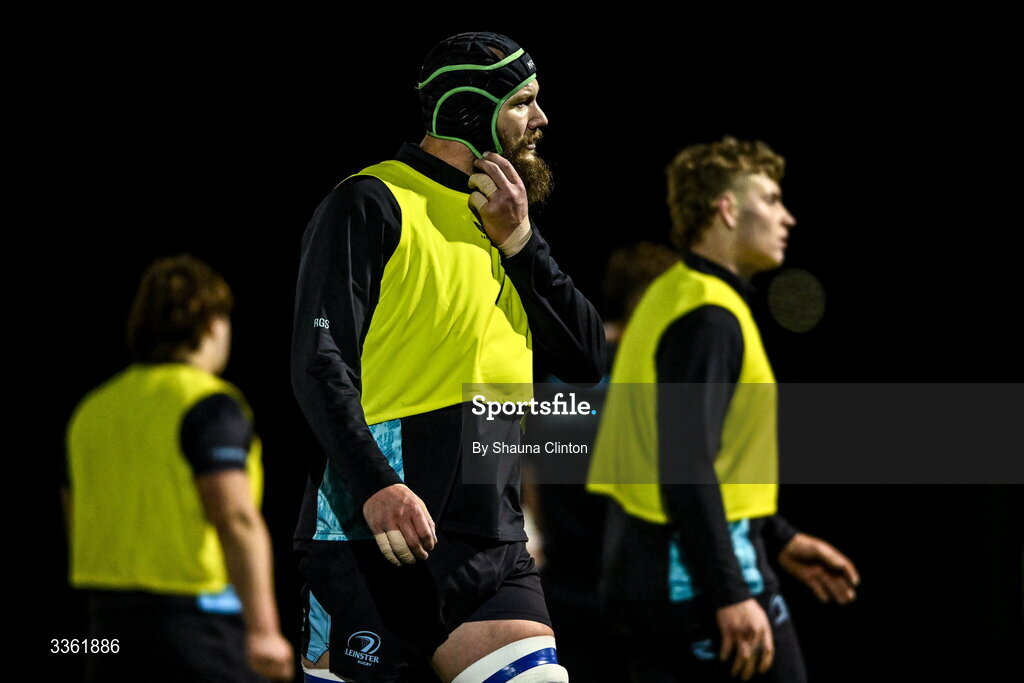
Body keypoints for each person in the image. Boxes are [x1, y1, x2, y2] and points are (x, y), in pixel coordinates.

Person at [290, 32, 605, 683]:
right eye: (524, 103)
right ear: (470, 112)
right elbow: (318, 362)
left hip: (493, 542)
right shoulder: (370, 201)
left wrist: (520, 240)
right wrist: (376, 484)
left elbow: (586, 356)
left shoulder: (499, 219)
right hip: (372, 537)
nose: (541, 120)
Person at [587, 137, 860, 682]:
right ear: (728, 209)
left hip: (647, 571)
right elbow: (684, 462)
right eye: (772, 199)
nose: (788, 217)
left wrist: (777, 537)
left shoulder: (674, 293)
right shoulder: (708, 316)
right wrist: (730, 592)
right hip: (688, 581)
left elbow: (702, 455)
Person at [64, 255, 293, 682]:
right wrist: (264, 631)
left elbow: (75, 511)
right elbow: (236, 517)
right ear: (211, 323)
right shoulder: (208, 403)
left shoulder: (93, 410)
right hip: (196, 628)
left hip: (105, 630)